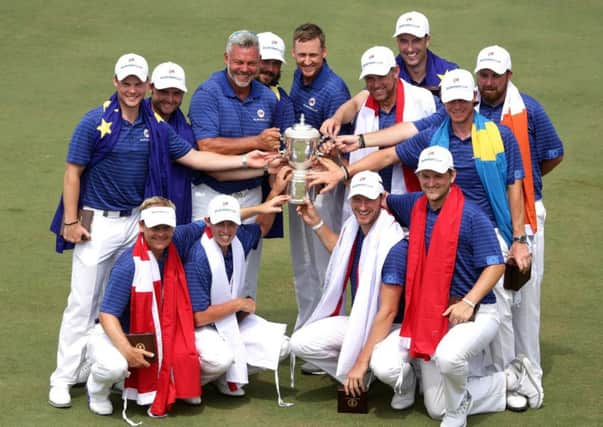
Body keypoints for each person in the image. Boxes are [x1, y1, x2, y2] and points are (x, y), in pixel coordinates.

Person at [48, 52, 274, 409]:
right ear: (116, 83)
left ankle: (107, 368)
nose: (133, 89)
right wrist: (72, 221)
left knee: (129, 299)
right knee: (83, 301)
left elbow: (195, 158)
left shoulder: (156, 128)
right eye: (127, 83)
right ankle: (64, 376)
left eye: (139, 83)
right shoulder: (95, 122)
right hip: (98, 223)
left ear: (147, 86)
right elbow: (72, 171)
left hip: (136, 220)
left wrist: (247, 161)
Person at [307, 69, 531, 375]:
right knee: (445, 302)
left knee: (497, 310)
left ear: (474, 98)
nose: (457, 106)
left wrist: (519, 240)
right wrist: (343, 173)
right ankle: (446, 372)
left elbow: (514, 186)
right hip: (441, 233)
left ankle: (507, 376)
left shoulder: (500, 135)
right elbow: (388, 156)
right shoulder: (433, 136)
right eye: (451, 100)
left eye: (462, 99)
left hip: (487, 230)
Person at [369, 146, 543, 426]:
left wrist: (469, 301)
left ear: (452, 175)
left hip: (476, 313)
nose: (431, 182)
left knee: (449, 359)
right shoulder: (415, 204)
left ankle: (458, 411)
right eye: (425, 176)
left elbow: (496, 265)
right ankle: (510, 378)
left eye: (437, 176)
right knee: (435, 406)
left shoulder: (472, 216)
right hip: (432, 315)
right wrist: (342, 171)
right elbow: (381, 201)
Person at [473, 45, 564, 394]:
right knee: (493, 299)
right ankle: (499, 376)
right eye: (484, 74)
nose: (489, 81)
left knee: (524, 300)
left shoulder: (529, 110)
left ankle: (529, 376)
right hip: (484, 216)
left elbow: (553, 154)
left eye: (496, 75)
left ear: (509, 76)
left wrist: (526, 184)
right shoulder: (470, 109)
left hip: (525, 216)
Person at [85, 197, 202, 418]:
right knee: (115, 367)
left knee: (204, 359)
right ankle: (97, 390)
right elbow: (108, 314)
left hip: (156, 335)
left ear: (173, 228)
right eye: (154, 227)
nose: (161, 233)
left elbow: (209, 222)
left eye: (166, 227)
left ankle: (170, 383)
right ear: (141, 226)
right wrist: (127, 351)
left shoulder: (177, 242)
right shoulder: (129, 264)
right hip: (115, 334)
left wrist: (263, 205)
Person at [289, 171, 404, 395]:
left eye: (369, 200)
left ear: (382, 199)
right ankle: (361, 377)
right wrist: (316, 222)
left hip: (395, 328)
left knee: (387, 368)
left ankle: (405, 385)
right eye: (357, 199)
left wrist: (361, 362)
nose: (362, 206)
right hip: (363, 320)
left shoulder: (394, 243)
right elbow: (344, 254)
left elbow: (388, 312)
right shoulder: (353, 229)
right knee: (300, 342)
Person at [188, 29, 281, 301]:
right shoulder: (208, 93)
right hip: (211, 195)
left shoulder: (266, 97)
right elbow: (207, 145)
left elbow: (273, 146)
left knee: (246, 272)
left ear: (259, 62)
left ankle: (244, 335)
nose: (245, 69)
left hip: (250, 195)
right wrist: (257, 141)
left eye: (251, 63)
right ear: (226, 58)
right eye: (238, 62)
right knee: (203, 266)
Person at [184, 168, 292, 404]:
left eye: (231, 224)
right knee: (219, 359)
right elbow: (198, 318)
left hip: (229, 322)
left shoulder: (239, 238)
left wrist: (274, 190)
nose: (225, 231)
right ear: (208, 223)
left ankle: (225, 378)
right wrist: (239, 304)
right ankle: (190, 381)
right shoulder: (198, 258)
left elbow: (261, 227)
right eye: (220, 224)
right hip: (201, 329)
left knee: (281, 346)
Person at [288, 24, 352, 366]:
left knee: (327, 264)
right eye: (302, 55)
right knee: (303, 263)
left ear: (324, 52)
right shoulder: (299, 80)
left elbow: (340, 151)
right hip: (300, 185)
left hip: (325, 189)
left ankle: (329, 340)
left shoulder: (333, 88)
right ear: (294, 54)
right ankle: (306, 329)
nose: (308, 61)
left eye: (313, 55)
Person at [320, 45, 435, 221]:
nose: (375, 85)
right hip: (364, 205)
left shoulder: (423, 100)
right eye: (370, 78)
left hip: (406, 202)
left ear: (395, 72)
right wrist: (336, 119)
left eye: (381, 77)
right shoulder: (365, 99)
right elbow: (350, 106)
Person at [256, 31, 296, 240]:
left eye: (275, 63)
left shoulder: (283, 101)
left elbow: (285, 151)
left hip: (265, 189)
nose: (270, 69)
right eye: (265, 61)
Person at [149, 61, 195, 225]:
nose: (170, 99)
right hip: (136, 215)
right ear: (151, 87)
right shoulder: (135, 122)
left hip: (176, 214)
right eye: (164, 92)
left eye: (176, 93)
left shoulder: (188, 133)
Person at [392, 10, 457, 94]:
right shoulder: (387, 75)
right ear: (397, 42)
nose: (410, 49)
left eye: (416, 40)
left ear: (427, 41)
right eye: (404, 41)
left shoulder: (451, 73)